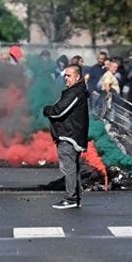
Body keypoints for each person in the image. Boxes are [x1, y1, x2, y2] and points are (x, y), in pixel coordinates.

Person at [44, 63, 90, 209]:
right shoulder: (76, 91)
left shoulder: (75, 92)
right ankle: (74, 197)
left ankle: (70, 198)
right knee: (72, 168)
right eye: (65, 75)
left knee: (68, 168)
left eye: (69, 76)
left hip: (70, 135)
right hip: (70, 134)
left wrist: (47, 110)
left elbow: (58, 111)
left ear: (77, 77)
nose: (66, 78)